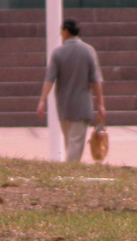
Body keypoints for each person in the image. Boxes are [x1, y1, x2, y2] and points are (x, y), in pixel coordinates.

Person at [37, 18, 106, 162]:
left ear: (66, 31)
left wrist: (42, 100)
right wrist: (100, 103)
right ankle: (70, 172)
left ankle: (68, 171)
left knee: (70, 142)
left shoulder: (58, 52)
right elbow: (96, 80)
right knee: (75, 143)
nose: (61, 35)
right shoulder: (88, 51)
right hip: (82, 106)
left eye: (61, 32)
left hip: (64, 106)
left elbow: (49, 79)